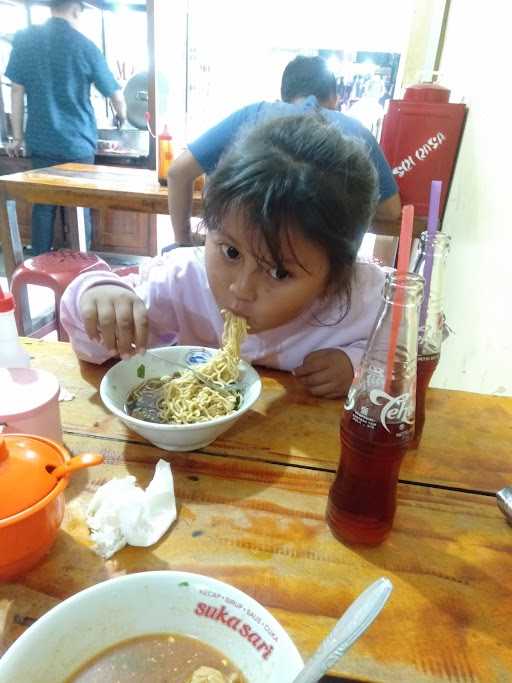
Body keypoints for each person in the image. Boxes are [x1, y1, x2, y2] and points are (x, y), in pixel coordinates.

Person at [61, 115, 386, 399]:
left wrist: (357, 368)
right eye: (231, 252)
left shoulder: (364, 299)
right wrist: (98, 293)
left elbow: (400, 357)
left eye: (279, 274)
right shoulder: (180, 282)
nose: (241, 289)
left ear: (333, 279)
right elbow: (92, 349)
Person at [167, 55, 400, 247]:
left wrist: (183, 244)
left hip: (235, 267)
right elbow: (391, 210)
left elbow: (178, 172)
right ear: (334, 98)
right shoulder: (356, 131)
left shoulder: (253, 114)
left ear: (284, 95)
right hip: (325, 282)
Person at [5, 0, 126, 255]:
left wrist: (17, 138)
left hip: (41, 141)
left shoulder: (25, 40)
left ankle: (38, 270)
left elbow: (16, 91)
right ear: (75, 9)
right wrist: (121, 117)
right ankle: (83, 268)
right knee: (81, 207)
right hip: (77, 143)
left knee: (43, 207)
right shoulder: (85, 46)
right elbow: (115, 96)